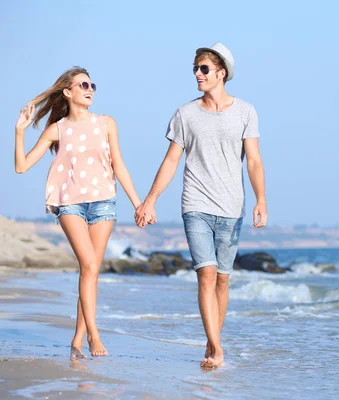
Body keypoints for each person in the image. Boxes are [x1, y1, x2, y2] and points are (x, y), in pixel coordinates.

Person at [134, 42, 267, 368]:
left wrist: (261, 199)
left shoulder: (246, 112)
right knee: (206, 274)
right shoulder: (185, 114)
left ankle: (212, 341)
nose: (197, 74)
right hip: (195, 204)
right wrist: (149, 200)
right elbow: (170, 161)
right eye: (195, 68)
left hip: (232, 208)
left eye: (204, 68)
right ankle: (217, 349)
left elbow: (253, 161)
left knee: (223, 278)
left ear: (221, 73)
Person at [14, 67, 145, 358]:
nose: (90, 89)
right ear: (68, 92)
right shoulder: (57, 129)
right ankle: (93, 338)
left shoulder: (106, 123)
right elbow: (22, 166)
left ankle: (76, 340)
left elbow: (119, 166)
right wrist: (19, 131)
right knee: (88, 265)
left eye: (92, 84)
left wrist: (138, 203)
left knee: (91, 271)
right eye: (83, 84)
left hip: (104, 203)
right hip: (69, 203)